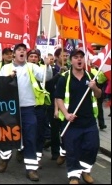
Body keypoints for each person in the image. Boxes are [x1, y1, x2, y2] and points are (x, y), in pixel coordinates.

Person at [0, 43, 52, 181]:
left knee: (30, 137)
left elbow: (46, 78)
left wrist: (48, 66)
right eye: (19, 50)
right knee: (8, 136)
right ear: (14, 54)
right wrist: (7, 78)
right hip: (10, 108)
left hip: (28, 108)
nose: (22, 52)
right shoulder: (5, 68)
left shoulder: (32, 67)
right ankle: (4, 159)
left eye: (23, 50)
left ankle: (31, 168)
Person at [55, 49, 102, 184]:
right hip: (72, 122)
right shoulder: (64, 78)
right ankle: (74, 176)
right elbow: (59, 98)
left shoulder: (91, 76)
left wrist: (94, 88)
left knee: (92, 147)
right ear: (71, 60)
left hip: (89, 121)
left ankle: (86, 171)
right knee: (72, 150)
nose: (79, 60)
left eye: (81, 57)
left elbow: (99, 95)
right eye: (76, 57)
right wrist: (66, 114)